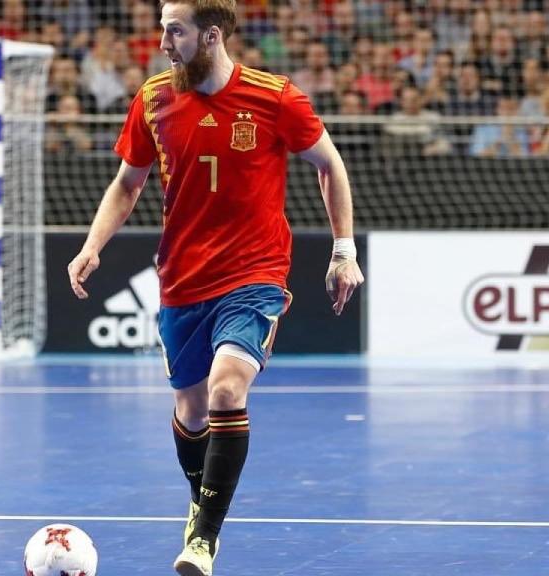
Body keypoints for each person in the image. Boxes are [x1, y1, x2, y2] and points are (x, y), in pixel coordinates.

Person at [65, 1, 363, 575]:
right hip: (182, 278)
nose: (162, 44)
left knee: (227, 390)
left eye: (174, 31)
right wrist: (91, 245)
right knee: (192, 409)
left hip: (254, 273)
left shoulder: (276, 97)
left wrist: (343, 251)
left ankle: (203, 538)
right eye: (162, 30)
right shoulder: (153, 98)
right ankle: (202, 500)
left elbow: (330, 165)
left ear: (212, 35)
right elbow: (127, 183)